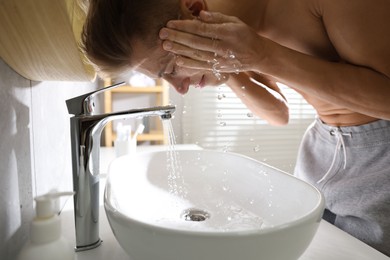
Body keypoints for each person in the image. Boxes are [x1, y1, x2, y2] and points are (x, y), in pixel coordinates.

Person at [81, 0, 390, 255]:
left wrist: (263, 55)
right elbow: (278, 113)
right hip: (320, 152)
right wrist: (231, 70)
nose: (181, 88)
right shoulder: (243, 35)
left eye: (172, 68)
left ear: (195, 9)